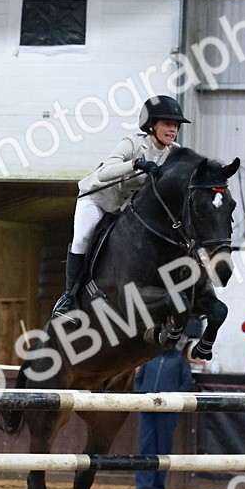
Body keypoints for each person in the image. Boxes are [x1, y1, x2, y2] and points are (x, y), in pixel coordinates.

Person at [51, 95, 191, 320]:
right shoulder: (132, 143)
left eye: (175, 125)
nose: (173, 129)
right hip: (97, 199)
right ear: (151, 125)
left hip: (126, 207)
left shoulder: (175, 153)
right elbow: (105, 172)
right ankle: (69, 298)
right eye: (167, 124)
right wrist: (135, 164)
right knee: (82, 239)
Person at [130, 346, 194, 489]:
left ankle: (157, 486)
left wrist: (173, 400)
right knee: (145, 445)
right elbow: (138, 379)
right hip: (147, 408)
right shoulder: (150, 357)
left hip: (167, 411)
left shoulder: (180, 360)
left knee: (162, 447)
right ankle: (143, 485)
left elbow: (186, 383)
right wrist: (142, 396)